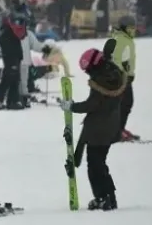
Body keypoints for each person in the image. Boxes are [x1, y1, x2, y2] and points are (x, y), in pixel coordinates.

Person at [59, 42, 125, 211]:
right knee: (99, 163)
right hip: (110, 126)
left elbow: (92, 104)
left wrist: (72, 106)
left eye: (88, 70)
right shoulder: (112, 73)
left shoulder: (101, 81)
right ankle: (108, 197)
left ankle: (105, 197)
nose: (88, 74)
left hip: (99, 130)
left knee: (95, 165)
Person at [109, 15, 136, 141]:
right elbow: (116, 59)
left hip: (125, 77)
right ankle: (116, 132)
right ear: (125, 27)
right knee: (125, 104)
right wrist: (123, 74)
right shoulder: (121, 39)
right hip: (120, 78)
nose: (133, 30)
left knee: (126, 103)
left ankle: (120, 129)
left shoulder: (125, 38)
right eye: (131, 27)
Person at [0, 12, 27, 110]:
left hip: (14, 57)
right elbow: (9, 45)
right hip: (11, 58)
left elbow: (22, 35)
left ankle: (12, 101)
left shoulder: (9, 29)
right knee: (7, 79)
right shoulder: (6, 30)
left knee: (15, 80)